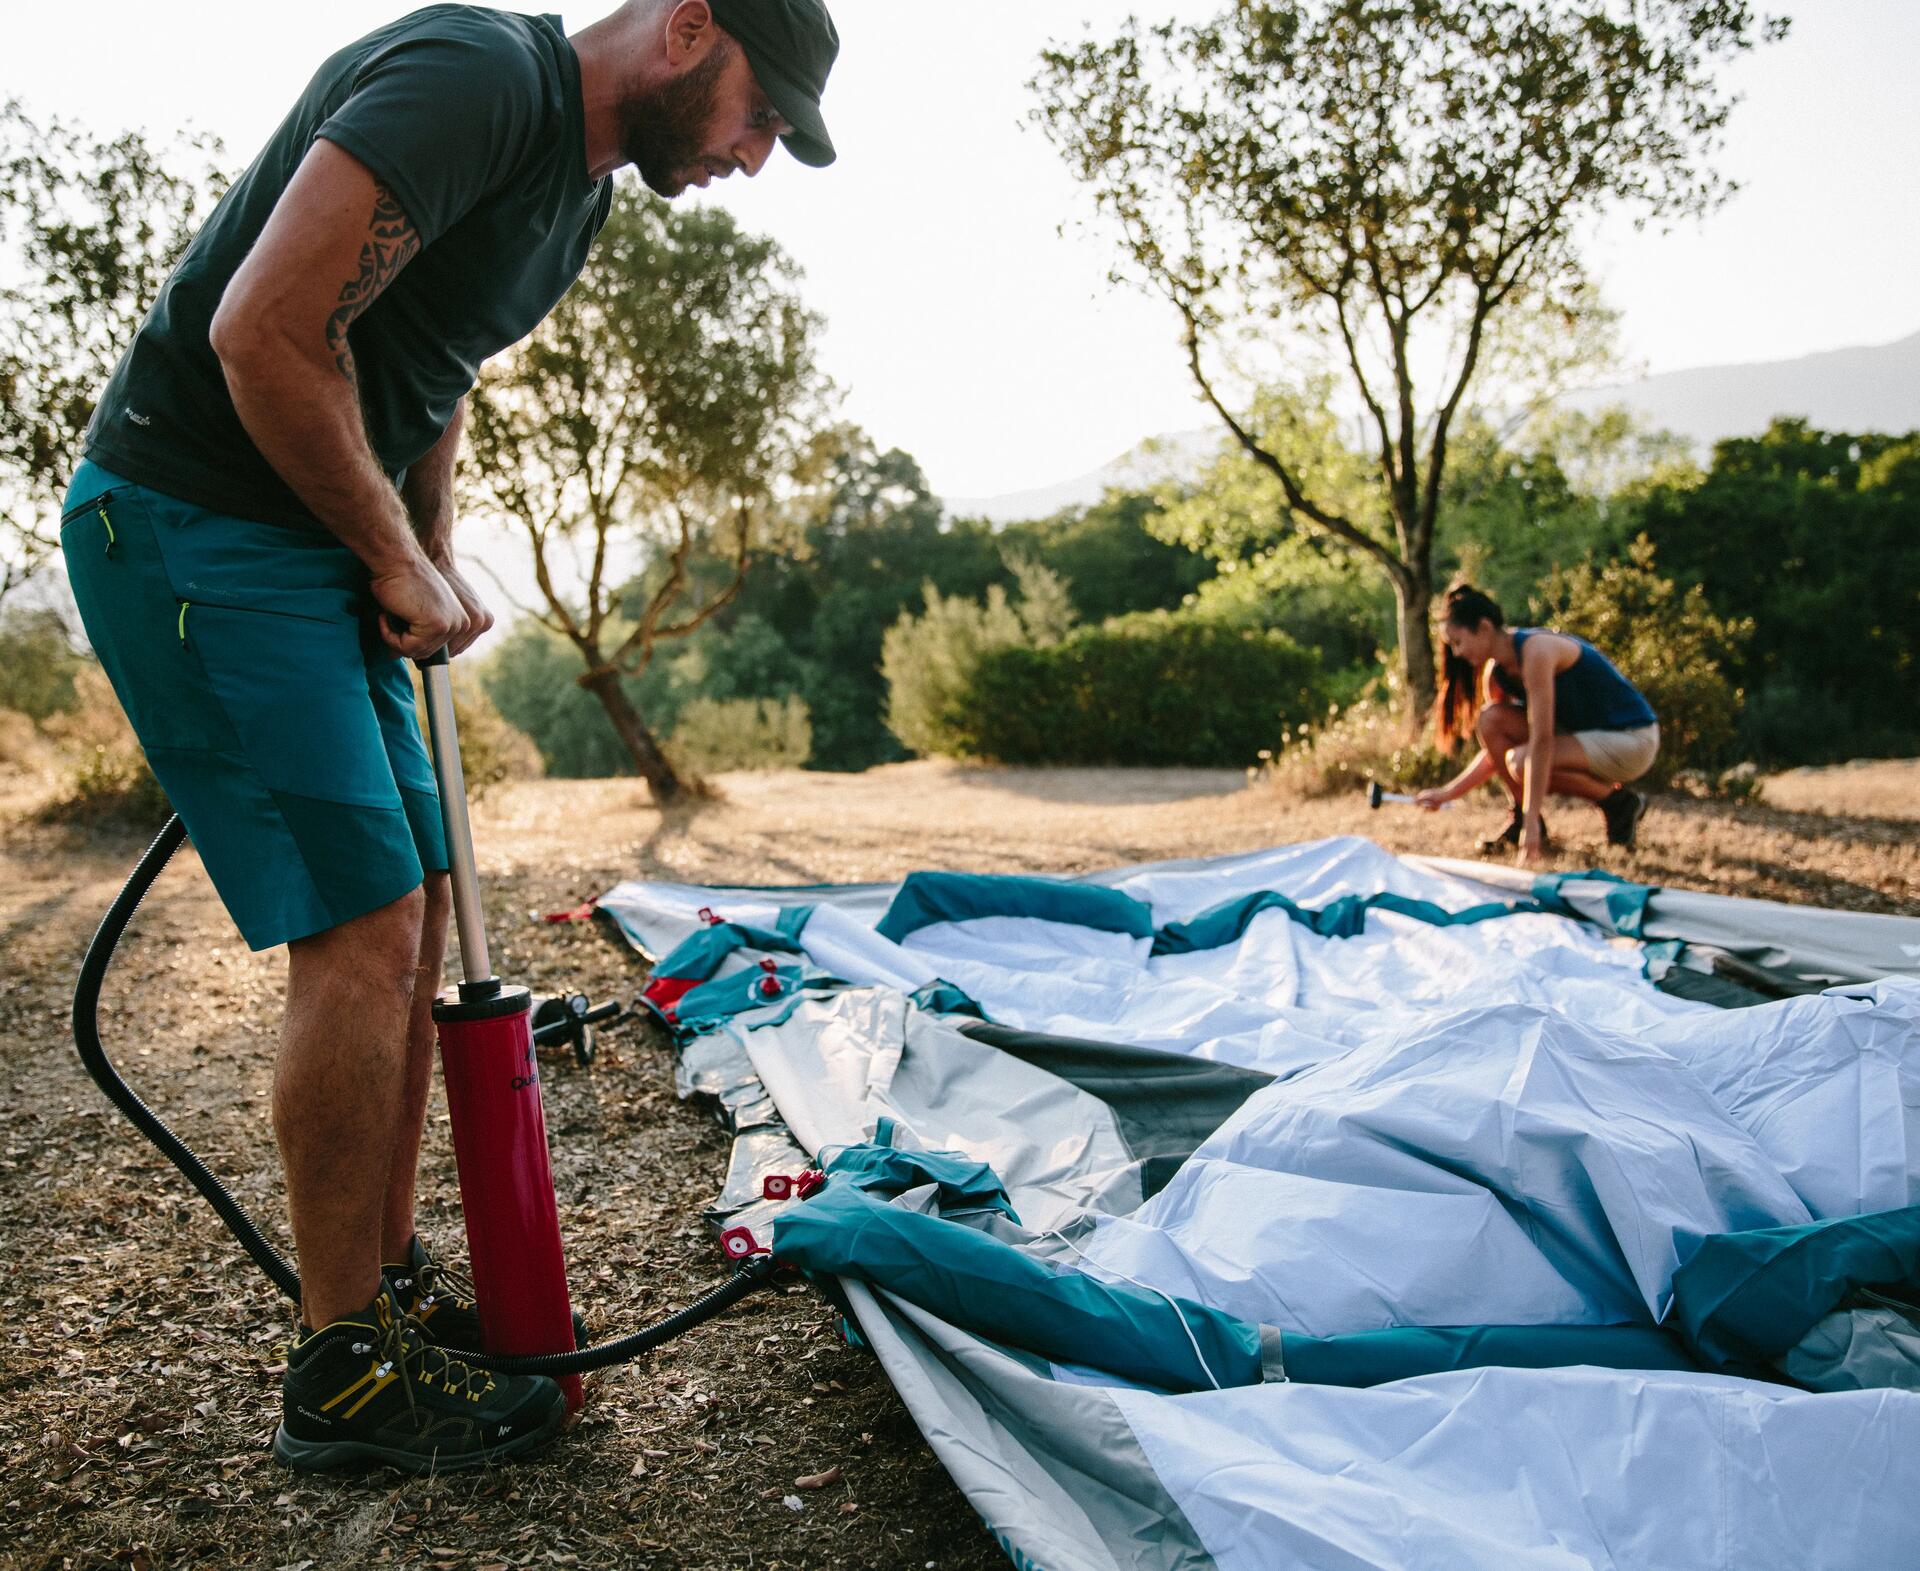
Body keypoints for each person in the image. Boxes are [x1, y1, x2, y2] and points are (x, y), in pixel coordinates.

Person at [57, 0, 839, 1475]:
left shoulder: (581, 190)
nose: (758, 151)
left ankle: (389, 1294)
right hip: (198, 517)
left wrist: (429, 547)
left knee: (413, 918)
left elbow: (436, 359)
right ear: (687, 28)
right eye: (762, 112)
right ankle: (339, 1369)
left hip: (318, 544)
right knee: (363, 921)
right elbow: (265, 327)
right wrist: (389, 554)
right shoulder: (476, 75)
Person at [1414, 585, 1659, 863]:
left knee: (1521, 762)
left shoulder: (1536, 652)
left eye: (1457, 642)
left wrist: (1530, 834)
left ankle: (1620, 805)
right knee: (1491, 720)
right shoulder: (1497, 673)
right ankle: (1521, 815)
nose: (1456, 653)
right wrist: (1447, 793)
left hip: (1633, 740)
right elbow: (1497, 755)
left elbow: (1541, 741)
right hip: (1584, 738)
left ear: (1483, 628)